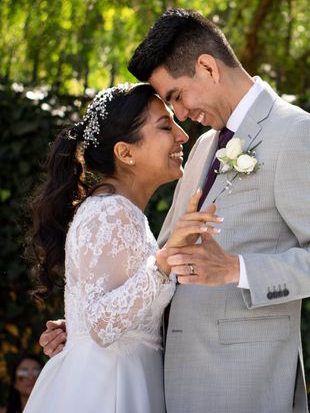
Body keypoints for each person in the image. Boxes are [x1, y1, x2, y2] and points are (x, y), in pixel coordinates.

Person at [41, 9, 310, 412]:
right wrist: (88, 330)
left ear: (208, 68)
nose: (179, 115)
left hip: (242, 385)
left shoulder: (295, 134)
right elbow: (166, 261)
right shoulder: (200, 149)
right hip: (171, 381)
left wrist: (237, 269)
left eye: (176, 96)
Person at [24, 83, 221, 412]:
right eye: (165, 126)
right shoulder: (111, 212)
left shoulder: (120, 211)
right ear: (125, 152)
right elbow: (102, 324)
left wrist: (76, 326)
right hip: (108, 387)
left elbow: (100, 310)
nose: (182, 135)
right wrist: (165, 259)